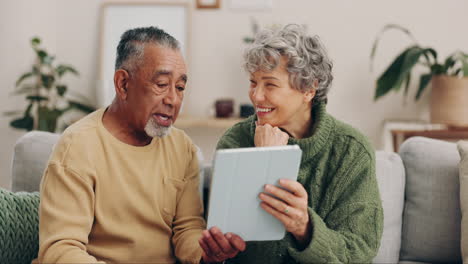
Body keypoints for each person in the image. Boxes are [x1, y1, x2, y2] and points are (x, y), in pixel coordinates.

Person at [37, 26, 244, 264]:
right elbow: (60, 250)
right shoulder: (78, 146)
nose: (173, 100)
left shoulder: (182, 148)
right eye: (161, 84)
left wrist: (206, 253)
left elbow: (187, 229)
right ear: (123, 84)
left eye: (179, 88)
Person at [199, 24, 384, 263]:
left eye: (270, 84)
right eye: (253, 82)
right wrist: (263, 162)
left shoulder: (351, 151)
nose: (256, 96)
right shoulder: (236, 141)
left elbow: (359, 252)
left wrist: (304, 228)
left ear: (308, 89)